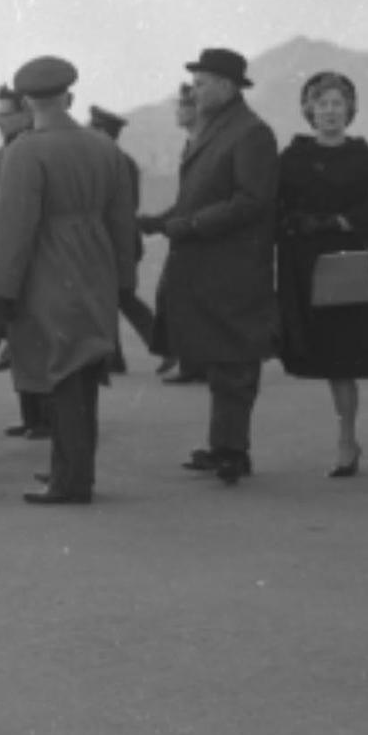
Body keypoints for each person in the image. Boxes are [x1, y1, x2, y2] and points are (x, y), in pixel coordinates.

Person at [0, 58, 139, 505]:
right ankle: (73, 471)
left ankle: (70, 480)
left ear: (26, 101)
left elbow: (14, 232)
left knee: (61, 373)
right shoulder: (105, 148)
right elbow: (124, 224)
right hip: (97, 266)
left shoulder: (24, 152)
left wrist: (2, 292)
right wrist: (124, 280)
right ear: (69, 97)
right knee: (83, 370)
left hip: (49, 269)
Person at [139, 49, 279, 485]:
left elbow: (252, 201)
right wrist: (159, 222)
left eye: (201, 84)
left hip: (234, 268)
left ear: (227, 85)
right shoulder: (216, 129)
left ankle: (233, 453)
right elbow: (195, 197)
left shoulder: (251, 133)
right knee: (222, 363)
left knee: (234, 363)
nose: (194, 92)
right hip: (211, 265)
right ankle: (224, 446)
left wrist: (188, 226)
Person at [274, 72, 368, 477]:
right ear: (309, 109)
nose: (330, 111)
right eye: (323, 103)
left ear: (350, 109)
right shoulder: (292, 159)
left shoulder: (365, 157)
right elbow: (278, 208)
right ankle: (347, 441)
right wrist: (302, 223)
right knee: (339, 361)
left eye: (338, 103)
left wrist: (340, 221)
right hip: (315, 273)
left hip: (361, 264)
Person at [0, 85, 49, 442]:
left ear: (26, 114)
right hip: (11, 254)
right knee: (18, 336)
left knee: (36, 338)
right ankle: (31, 416)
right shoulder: (4, 153)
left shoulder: (33, 150)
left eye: (4, 115)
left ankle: (44, 418)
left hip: (35, 258)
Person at [88, 104, 159, 369]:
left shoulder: (113, 161)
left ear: (104, 132)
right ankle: (113, 358)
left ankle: (166, 345)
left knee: (122, 298)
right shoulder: (120, 160)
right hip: (120, 241)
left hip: (116, 242)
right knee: (112, 298)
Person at [154, 84, 207, 384]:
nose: (177, 111)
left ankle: (190, 362)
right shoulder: (191, 142)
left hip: (195, 233)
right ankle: (189, 361)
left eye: (182, 106)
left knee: (179, 296)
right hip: (186, 231)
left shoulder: (201, 143)